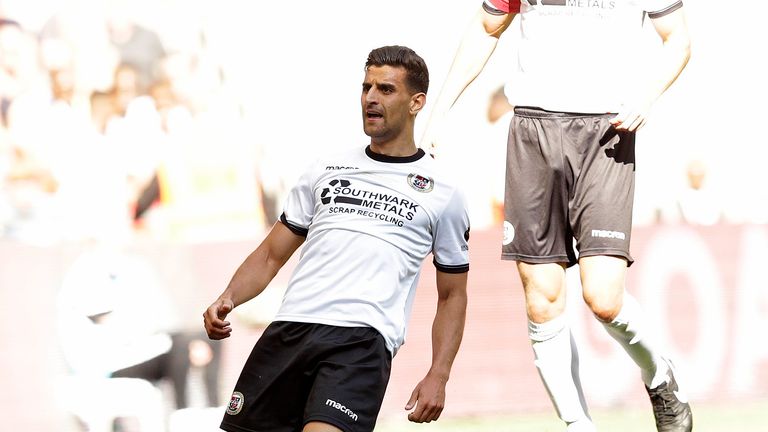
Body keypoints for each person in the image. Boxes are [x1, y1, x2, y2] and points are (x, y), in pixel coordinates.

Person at [419, 1, 692, 432]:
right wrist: (439, 113)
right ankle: (577, 425)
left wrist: (647, 94)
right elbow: (488, 27)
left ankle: (661, 378)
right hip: (533, 131)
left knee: (603, 297)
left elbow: (677, 38)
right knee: (541, 297)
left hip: (608, 132)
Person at [203, 45, 470, 432]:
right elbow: (271, 256)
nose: (371, 98)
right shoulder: (326, 169)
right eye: (366, 87)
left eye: (386, 89)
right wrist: (229, 296)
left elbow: (453, 295)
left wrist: (439, 374)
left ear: (417, 102)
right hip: (289, 329)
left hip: (360, 343)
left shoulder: (443, 191)